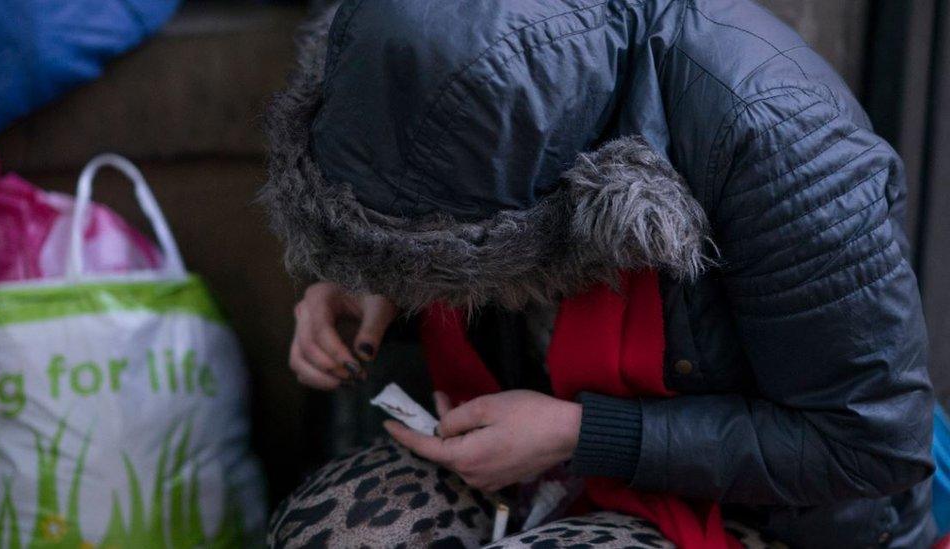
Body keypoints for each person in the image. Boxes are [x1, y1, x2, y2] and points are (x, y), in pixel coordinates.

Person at [262, 1, 936, 547]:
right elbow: (436, 191)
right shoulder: (431, 54)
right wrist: (377, 281)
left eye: (440, 251)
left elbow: (869, 446)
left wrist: (579, 434)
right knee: (333, 534)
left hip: (763, 514)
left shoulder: (779, 140)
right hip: (524, 450)